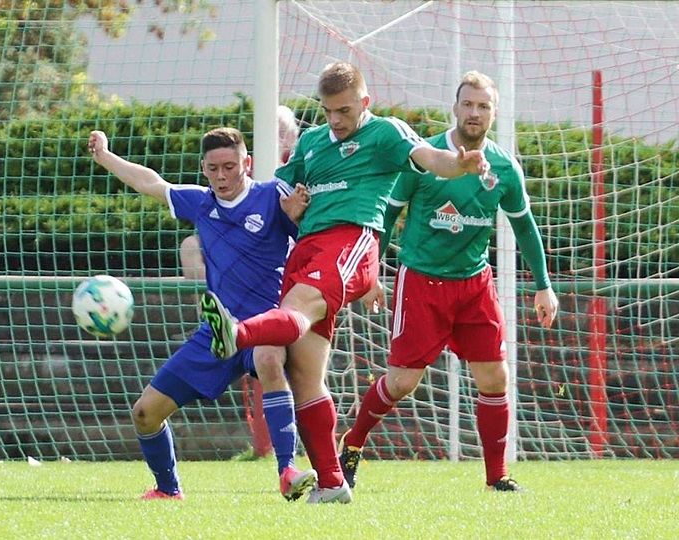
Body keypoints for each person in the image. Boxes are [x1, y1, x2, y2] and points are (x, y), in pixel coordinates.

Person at [200, 61, 491, 504]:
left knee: (296, 308)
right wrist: (287, 206)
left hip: (351, 240)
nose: (336, 120)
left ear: (364, 103)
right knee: (305, 372)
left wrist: (459, 163)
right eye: (328, 110)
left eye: (344, 111)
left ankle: (236, 332)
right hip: (307, 249)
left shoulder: (385, 133)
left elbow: (430, 159)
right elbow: (278, 190)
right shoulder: (313, 142)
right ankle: (333, 482)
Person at [337, 70, 559, 492]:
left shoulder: (504, 169)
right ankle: (352, 443)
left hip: (474, 285)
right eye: (468, 104)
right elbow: (384, 218)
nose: (474, 113)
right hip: (422, 282)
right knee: (402, 383)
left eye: (483, 106)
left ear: (493, 113)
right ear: (455, 108)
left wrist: (543, 285)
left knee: (496, 379)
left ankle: (497, 478)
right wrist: (369, 273)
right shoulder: (424, 158)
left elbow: (525, 227)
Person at [87, 127, 316, 501]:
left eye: (230, 166)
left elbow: (312, 228)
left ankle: (287, 470)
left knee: (270, 357)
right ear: (204, 169)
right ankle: (167, 489)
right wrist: (106, 157)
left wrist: (297, 218)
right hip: (216, 330)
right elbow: (151, 182)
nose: (222, 176)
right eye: (213, 169)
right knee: (145, 413)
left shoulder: (272, 196)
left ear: (248, 163)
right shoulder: (200, 203)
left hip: (264, 326)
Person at [179, 105, 300, 280]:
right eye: (273, 129)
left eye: (282, 132)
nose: (276, 137)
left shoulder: (298, 166)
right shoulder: (240, 166)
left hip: (274, 240)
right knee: (189, 246)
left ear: (293, 136)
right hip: (227, 234)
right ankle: (213, 304)